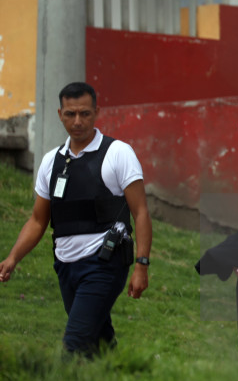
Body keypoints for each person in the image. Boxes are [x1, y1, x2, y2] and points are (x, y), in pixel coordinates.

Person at [0, 82, 152, 356]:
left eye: (84, 113)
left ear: (96, 112)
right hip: (66, 266)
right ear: (60, 114)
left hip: (105, 264)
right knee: (98, 341)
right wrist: (13, 258)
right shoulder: (51, 162)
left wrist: (141, 265)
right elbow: (37, 220)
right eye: (70, 114)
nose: (77, 121)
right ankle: (120, 371)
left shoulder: (118, 153)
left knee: (74, 344)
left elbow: (140, 212)